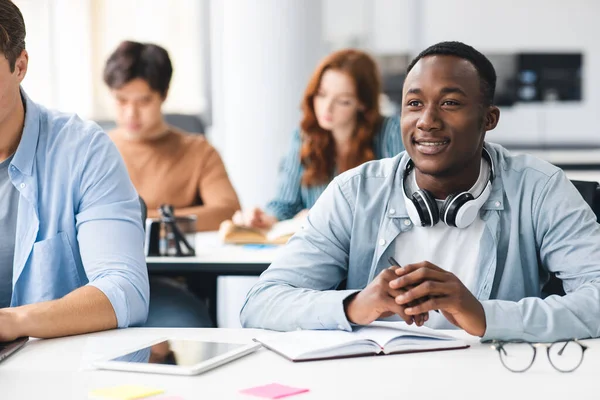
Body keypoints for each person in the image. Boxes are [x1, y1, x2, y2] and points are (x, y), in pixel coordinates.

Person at [240, 41, 600, 343]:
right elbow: (262, 302)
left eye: (450, 103)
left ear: (488, 119)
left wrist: (484, 315)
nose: (427, 120)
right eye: (414, 104)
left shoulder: (540, 188)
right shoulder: (355, 192)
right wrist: (355, 305)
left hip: (491, 381)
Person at [0, 0, 149, 342]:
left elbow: (124, 289)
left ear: (19, 65)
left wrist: (14, 322)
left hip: (55, 367)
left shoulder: (83, 150)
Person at [104, 41, 240, 327]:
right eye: (121, 100)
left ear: (163, 96)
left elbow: (227, 210)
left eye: (143, 101)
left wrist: (141, 220)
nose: (131, 113)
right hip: (101, 282)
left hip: (169, 282)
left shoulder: (197, 151)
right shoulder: (95, 149)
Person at [232, 49, 404, 230]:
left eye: (343, 101)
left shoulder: (390, 132)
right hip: (316, 250)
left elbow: (401, 203)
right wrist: (266, 219)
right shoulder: (303, 136)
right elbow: (285, 205)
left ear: (362, 104)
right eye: (321, 95)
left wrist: (320, 217)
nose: (326, 108)